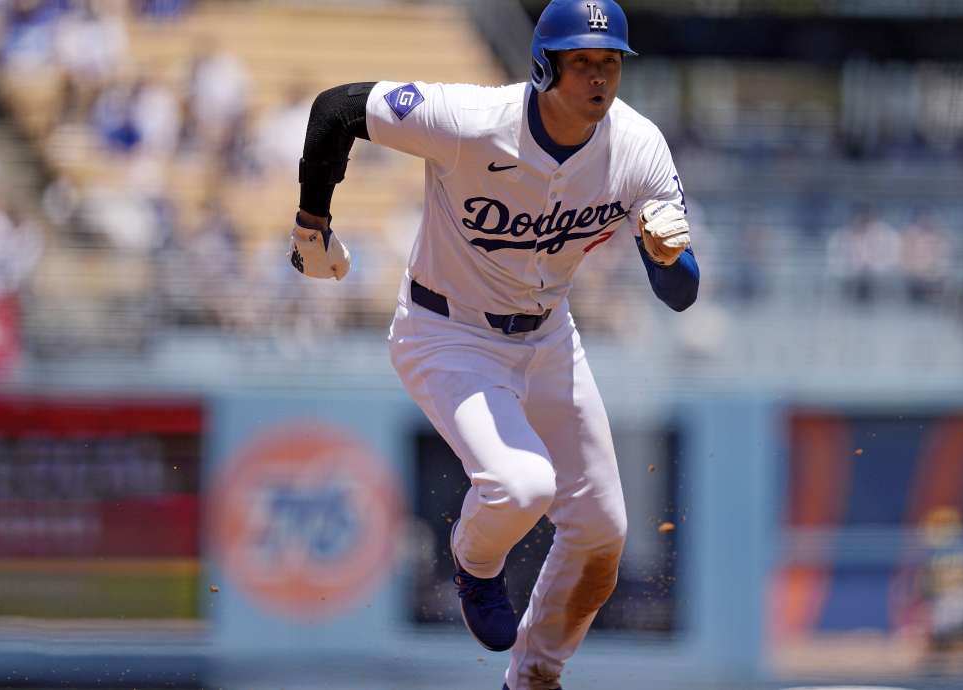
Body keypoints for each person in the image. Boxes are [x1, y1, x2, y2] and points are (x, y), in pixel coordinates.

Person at [287, 2, 699, 689]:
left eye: (610, 63)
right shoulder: (471, 120)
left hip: (548, 336)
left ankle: (533, 678)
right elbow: (336, 109)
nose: (599, 78)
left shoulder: (637, 146)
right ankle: (474, 564)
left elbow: (682, 294)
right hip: (446, 332)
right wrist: (310, 226)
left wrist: (664, 258)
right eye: (582, 62)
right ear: (544, 66)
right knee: (522, 483)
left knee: (601, 533)